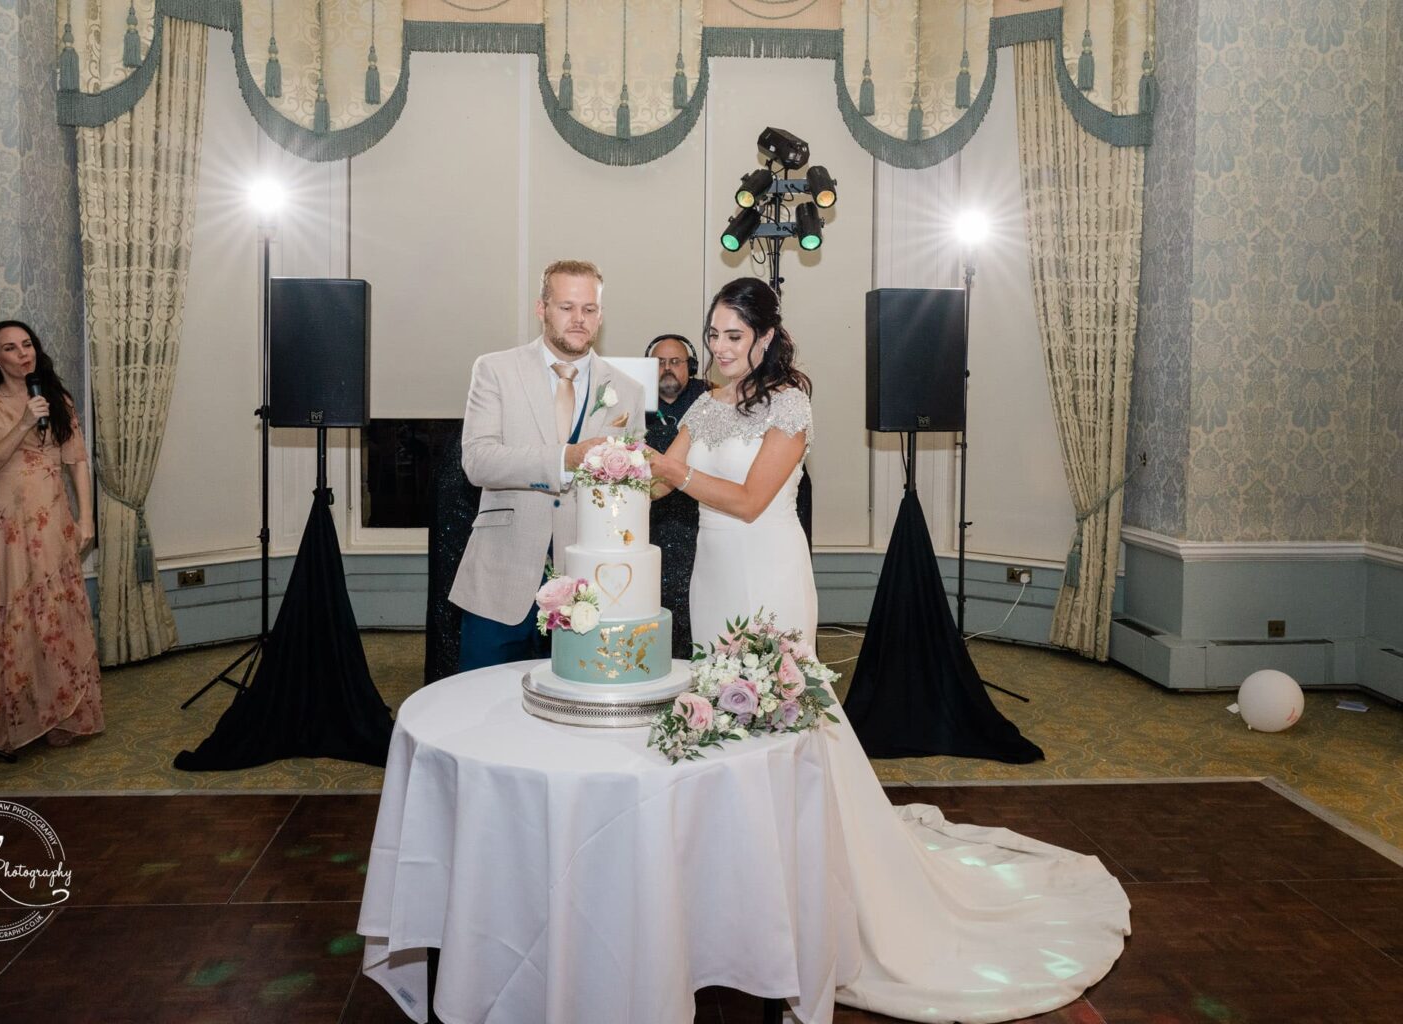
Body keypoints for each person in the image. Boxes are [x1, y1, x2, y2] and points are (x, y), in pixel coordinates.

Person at [647, 278, 1129, 1023]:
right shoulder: (705, 407)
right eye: (712, 335)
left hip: (767, 571)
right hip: (713, 578)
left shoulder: (792, 403)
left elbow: (747, 500)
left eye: (732, 337)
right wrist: (612, 463)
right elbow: (659, 483)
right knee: (727, 714)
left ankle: (808, 870)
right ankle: (744, 862)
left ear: (766, 339)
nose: (718, 349)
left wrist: (670, 469)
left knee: (785, 717)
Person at [449, 260, 644, 673]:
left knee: (570, 709)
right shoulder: (495, 370)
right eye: (566, 307)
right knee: (482, 708)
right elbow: (478, 461)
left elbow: (631, 493)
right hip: (502, 573)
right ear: (541, 309)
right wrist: (564, 459)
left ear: (601, 315)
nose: (579, 319)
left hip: (588, 586)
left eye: (589, 309)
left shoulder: (627, 390)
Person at [0, 320, 104, 753]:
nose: (24, 353)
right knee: (7, 615)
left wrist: (87, 519)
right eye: (11, 348)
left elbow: (76, 460)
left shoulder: (58, 399)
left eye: (27, 344)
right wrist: (22, 422)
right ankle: (4, 722)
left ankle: (59, 715)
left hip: (52, 521)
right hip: (6, 527)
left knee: (54, 615)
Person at [643, 334, 709, 658]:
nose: (667, 369)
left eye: (676, 362)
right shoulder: (630, 404)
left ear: (691, 367)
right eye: (659, 362)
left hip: (695, 523)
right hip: (648, 525)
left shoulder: (708, 401)